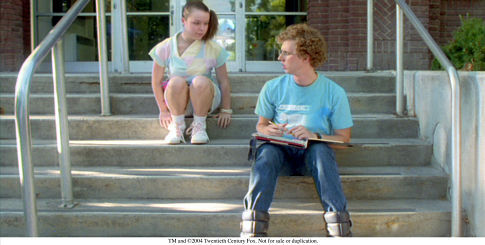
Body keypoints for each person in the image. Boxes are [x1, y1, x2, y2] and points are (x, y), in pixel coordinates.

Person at [241, 24, 353, 237]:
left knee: (320, 151)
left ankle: (340, 230)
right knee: (266, 153)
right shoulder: (272, 87)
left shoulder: (334, 92)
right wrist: (269, 131)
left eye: (286, 53)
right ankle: (252, 230)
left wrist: (315, 136)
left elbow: (344, 139)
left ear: (306, 57)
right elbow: (261, 125)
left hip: (313, 157)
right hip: (280, 153)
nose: (280, 58)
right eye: (280, 51)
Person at [149, 1, 232, 145]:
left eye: (205, 24)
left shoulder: (213, 48)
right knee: (175, 81)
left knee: (200, 80)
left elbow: (224, 82)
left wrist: (226, 109)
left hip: (205, 100)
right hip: (178, 102)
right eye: (196, 23)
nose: (201, 28)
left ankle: (199, 126)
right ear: (183, 21)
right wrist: (163, 110)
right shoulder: (166, 46)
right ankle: (177, 126)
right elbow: (156, 82)